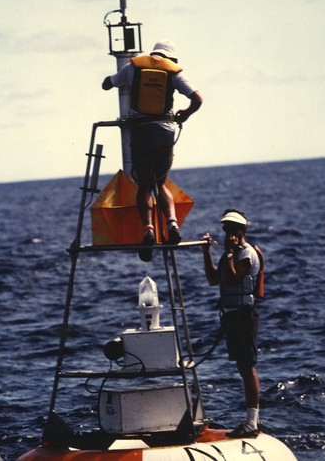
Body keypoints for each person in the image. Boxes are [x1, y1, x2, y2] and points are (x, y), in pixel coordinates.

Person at [102, 40, 202, 261]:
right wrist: (185, 113)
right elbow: (197, 99)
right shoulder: (173, 73)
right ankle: (172, 224)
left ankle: (148, 229)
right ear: (170, 58)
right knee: (161, 181)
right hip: (164, 131)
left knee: (144, 185)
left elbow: (108, 83)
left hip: (141, 132)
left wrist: (109, 81)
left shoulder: (132, 67)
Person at [202, 209, 261, 438]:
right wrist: (206, 252)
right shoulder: (229, 253)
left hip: (244, 315)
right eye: (226, 228)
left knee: (247, 366)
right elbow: (213, 279)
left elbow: (237, 276)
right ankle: (251, 419)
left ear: (242, 230)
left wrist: (228, 255)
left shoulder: (245, 253)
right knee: (241, 366)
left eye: (233, 228)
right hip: (232, 315)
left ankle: (252, 422)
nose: (229, 233)